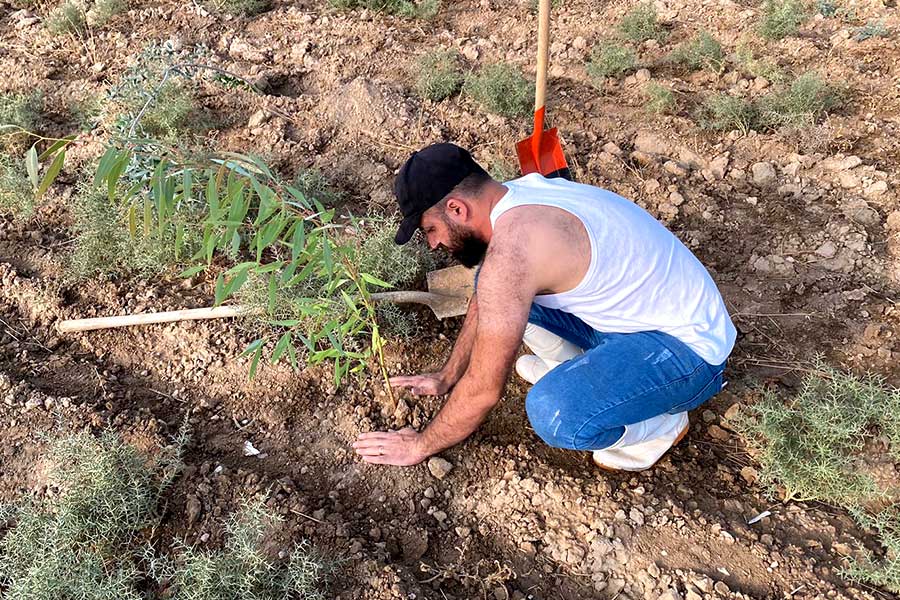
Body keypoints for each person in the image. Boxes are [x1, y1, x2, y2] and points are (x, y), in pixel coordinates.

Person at [352, 143, 736, 471]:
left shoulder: (514, 253)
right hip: (647, 314)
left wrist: (420, 445)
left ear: (456, 209)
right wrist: (447, 375)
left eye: (429, 230)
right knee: (488, 286)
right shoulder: (520, 194)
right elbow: (488, 294)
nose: (433, 245)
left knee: (555, 413)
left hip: (688, 354)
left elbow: (485, 390)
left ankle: (656, 428)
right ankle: (581, 371)